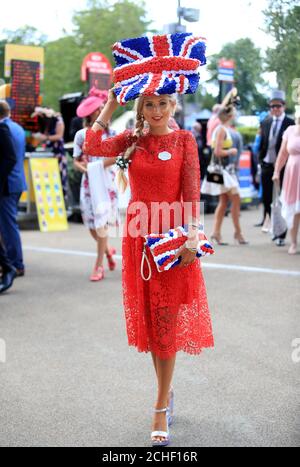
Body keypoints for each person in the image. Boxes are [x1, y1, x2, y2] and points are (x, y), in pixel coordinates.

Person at [84, 32, 214, 447]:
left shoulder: (184, 141)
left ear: (173, 104)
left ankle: (159, 406)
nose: (157, 110)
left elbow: (191, 194)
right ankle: (166, 393)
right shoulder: (134, 139)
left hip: (175, 243)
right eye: (149, 104)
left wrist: (193, 236)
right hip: (139, 240)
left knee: (167, 326)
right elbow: (91, 145)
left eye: (163, 103)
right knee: (154, 328)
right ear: (141, 107)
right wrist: (110, 102)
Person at [73, 88, 118, 281]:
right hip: (89, 183)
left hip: (107, 181)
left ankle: (99, 265)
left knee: (102, 223)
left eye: (103, 108)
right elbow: (76, 159)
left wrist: (94, 167)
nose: (102, 111)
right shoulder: (81, 135)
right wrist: (85, 169)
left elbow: (117, 156)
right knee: (91, 223)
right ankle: (108, 250)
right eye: (99, 109)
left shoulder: (113, 133)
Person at [201, 89, 248, 245]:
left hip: (223, 171)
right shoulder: (221, 130)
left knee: (225, 201)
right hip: (221, 171)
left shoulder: (222, 129)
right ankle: (236, 233)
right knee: (234, 199)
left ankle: (219, 232)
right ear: (230, 116)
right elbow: (218, 151)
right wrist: (231, 151)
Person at [257, 90, 294, 244]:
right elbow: (262, 143)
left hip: (285, 167)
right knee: (267, 199)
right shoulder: (265, 122)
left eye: (277, 106)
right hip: (266, 165)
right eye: (272, 106)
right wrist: (260, 161)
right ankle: (275, 227)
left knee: (283, 199)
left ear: (283, 106)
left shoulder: (290, 123)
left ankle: (282, 233)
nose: (274, 109)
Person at [0, 100, 26, 278]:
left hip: (7, 183)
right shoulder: (18, 128)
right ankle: (11, 262)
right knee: (8, 225)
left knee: (8, 226)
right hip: (17, 181)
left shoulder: (4, 129)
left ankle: (16, 264)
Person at [273, 105, 300, 255]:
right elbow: (282, 154)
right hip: (292, 173)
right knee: (293, 209)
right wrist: (276, 171)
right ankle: (294, 242)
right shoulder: (290, 131)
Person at [32, 107, 68, 201]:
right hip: (49, 154)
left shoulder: (58, 120)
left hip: (58, 154)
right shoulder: (46, 123)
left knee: (60, 178)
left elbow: (59, 136)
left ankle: (62, 201)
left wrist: (45, 138)